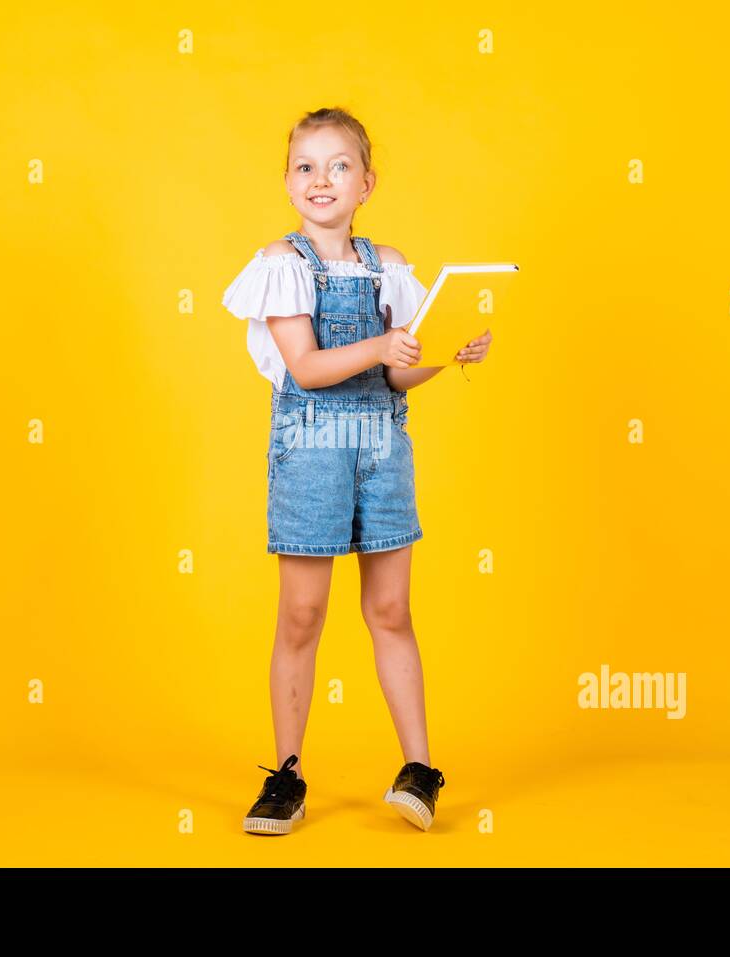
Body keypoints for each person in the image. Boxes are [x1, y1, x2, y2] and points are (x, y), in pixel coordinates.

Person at [221, 107, 492, 834]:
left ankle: (420, 768)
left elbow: (395, 379)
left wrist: (440, 356)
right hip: (311, 451)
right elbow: (306, 368)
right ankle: (287, 774)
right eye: (305, 166)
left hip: (381, 449)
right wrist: (381, 348)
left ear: (366, 182)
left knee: (391, 611)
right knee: (303, 614)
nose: (321, 179)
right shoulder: (280, 265)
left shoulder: (390, 265)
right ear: (287, 181)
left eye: (338, 165)